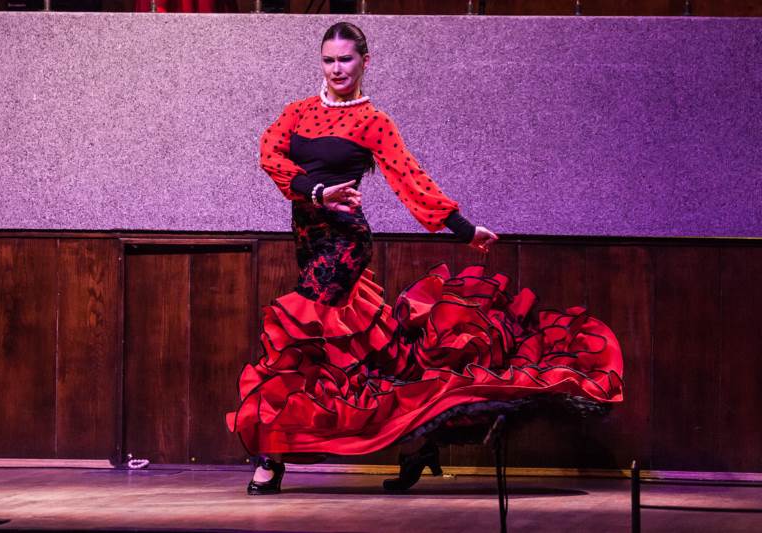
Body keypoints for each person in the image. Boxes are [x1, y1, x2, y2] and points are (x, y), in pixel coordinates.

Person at [226, 21, 623, 495]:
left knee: (294, 336)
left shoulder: (373, 121)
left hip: (345, 242)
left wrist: (463, 228)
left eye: (346, 59)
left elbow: (409, 178)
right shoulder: (299, 111)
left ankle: (270, 456)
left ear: (365, 62)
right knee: (360, 355)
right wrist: (316, 190)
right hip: (308, 239)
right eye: (329, 60)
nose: (337, 69)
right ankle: (420, 439)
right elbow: (270, 154)